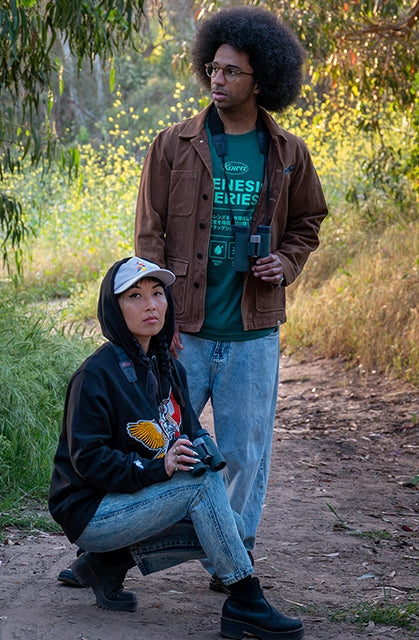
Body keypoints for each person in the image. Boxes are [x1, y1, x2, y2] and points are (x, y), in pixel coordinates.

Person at [134, 6, 328, 588]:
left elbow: (309, 221)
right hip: (184, 330)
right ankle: (116, 550)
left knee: (244, 453)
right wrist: (154, 316)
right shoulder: (173, 145)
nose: (216, 80)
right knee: (159, 440)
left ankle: (234, 558)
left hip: (253, 333)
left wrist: (287, 260)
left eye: (230, 72)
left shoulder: (287, 152)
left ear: (261, 80)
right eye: (212, 69)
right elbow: (149, 236)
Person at [48, 256, 305, 640]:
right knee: (202, 491)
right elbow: (88, 461)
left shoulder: (167, 366)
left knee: (224, 519)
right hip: (91, 512)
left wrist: (202, 448)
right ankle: (245, 601)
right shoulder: (96, 375)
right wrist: (160, 468)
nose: (150, 305)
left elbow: (189, 428)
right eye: (134, 296)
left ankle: (108, 564)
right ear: (113, 308)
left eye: (157, 293)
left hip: (132, 501)